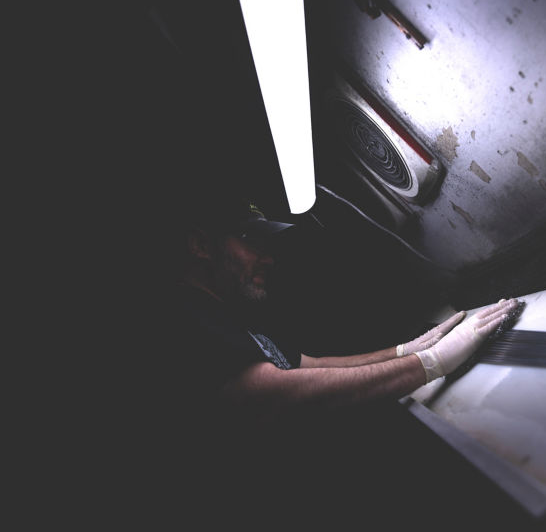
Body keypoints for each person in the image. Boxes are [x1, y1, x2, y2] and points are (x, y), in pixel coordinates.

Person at [148, 196, 521, 526]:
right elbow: (269, 393)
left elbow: (310, 366)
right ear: (200, 245)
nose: (269, 256)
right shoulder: (180, 315)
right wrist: (432, 363)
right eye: (251, 241)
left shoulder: (230, 317)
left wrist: (404, 351)